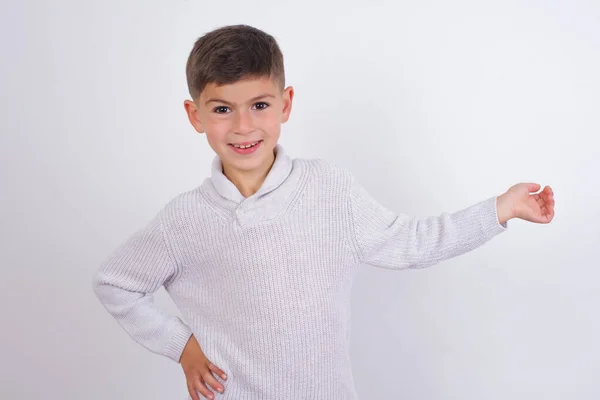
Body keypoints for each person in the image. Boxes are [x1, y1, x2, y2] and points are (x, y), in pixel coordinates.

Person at [92, 24, 555, 400]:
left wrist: (501, 209)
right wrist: (182, 347)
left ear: (285, 104)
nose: (243, 126)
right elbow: (116, 283)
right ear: (195, 116)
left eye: (259, 105)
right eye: (221, 109)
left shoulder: (330, 190)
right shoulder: (184, 220)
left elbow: (411, 241)